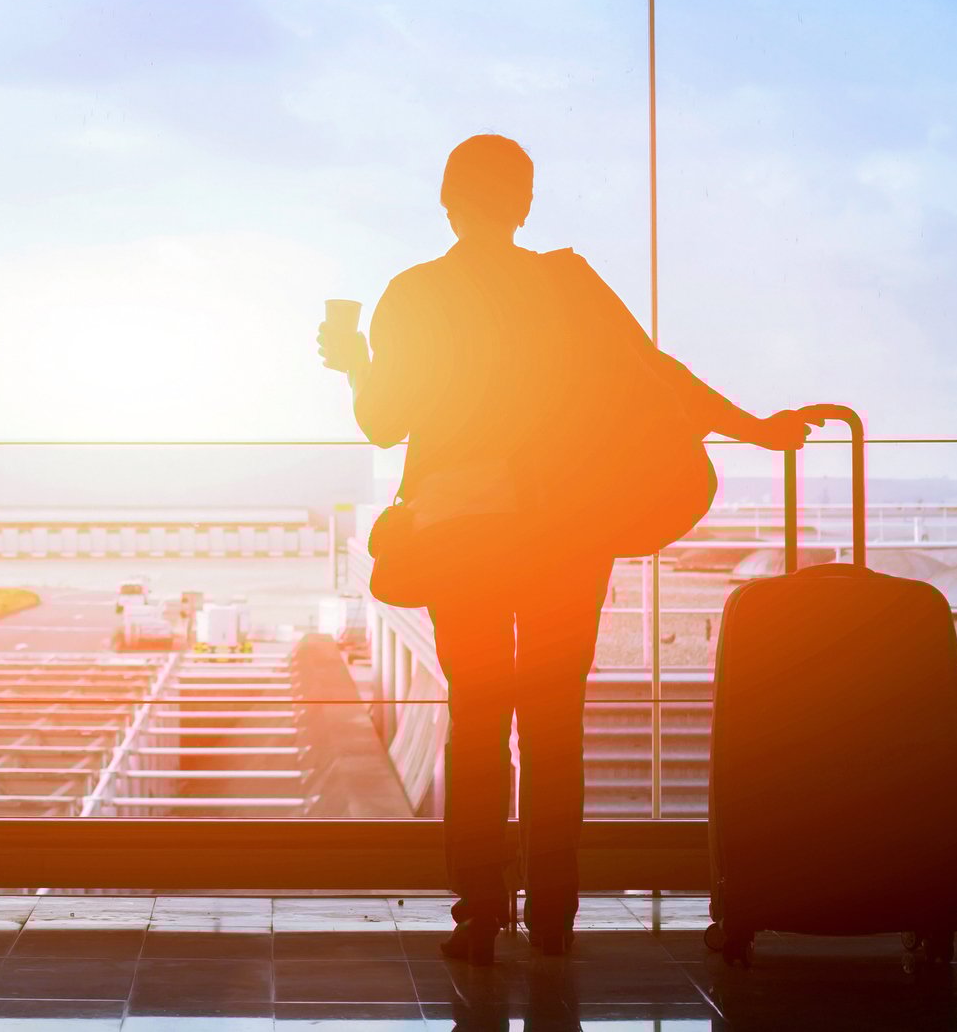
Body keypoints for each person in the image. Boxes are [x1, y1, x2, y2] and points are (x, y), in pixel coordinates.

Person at [317, 133, 808, 964]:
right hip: (563, 534)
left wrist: (353, 360)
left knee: (476, 721)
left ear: (447, 200)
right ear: (525, 203)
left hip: (462, 533)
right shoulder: (566, 286)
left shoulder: (416, 293)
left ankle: (477, 914)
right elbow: (657, 374)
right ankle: (552, 913)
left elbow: (382, 423)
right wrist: (754, 430)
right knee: (553, 723)